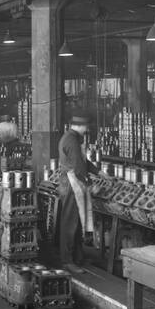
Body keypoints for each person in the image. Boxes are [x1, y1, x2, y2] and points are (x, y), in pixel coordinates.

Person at [57, 115, 102, 275]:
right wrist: (90, 185)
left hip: (73, 182)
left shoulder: (74, 138)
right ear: (79, 126)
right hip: (71, 184)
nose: (87, 129)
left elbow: (83, 162)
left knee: (76, 222)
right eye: (86, 126)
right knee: (70, 223)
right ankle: (67, 261)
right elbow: (77, 167)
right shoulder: (71, 140)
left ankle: (77, 256)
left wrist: (99, 172)